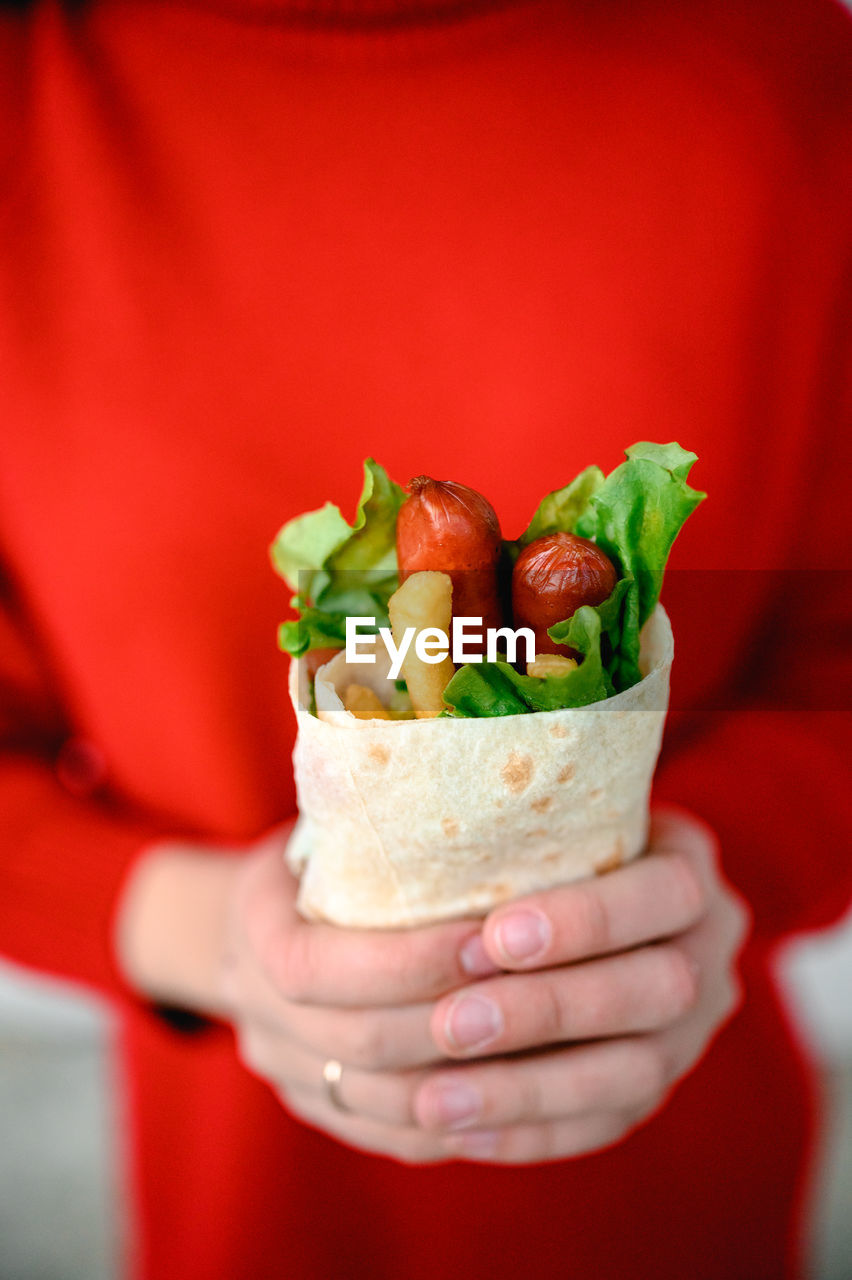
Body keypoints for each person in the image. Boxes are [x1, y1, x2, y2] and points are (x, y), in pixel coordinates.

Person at [1, 0, 850, 1276]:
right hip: (233, 1201)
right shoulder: (32, 96)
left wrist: (705, 882)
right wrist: (212, 939)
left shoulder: (792, 82)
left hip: (683, 1174)